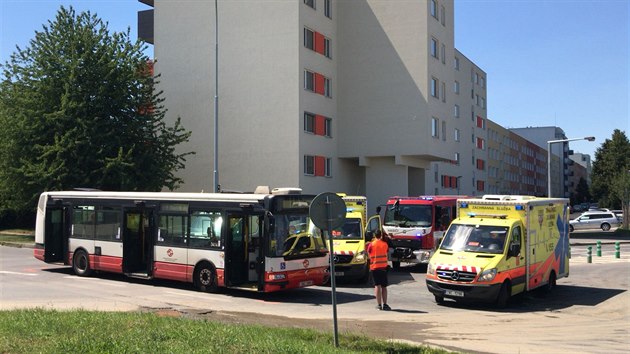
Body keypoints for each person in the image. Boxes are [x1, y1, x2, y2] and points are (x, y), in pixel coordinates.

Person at [366, 229, 391, 310]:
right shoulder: (385, 244)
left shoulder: (371, 245)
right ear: (381, 235)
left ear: (374, 235)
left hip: (375, 267)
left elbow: (368, 255)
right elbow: (387, 254)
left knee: (377, 286)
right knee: (384, 286)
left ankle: (379, 305)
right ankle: (385, 304)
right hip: (383, 267)